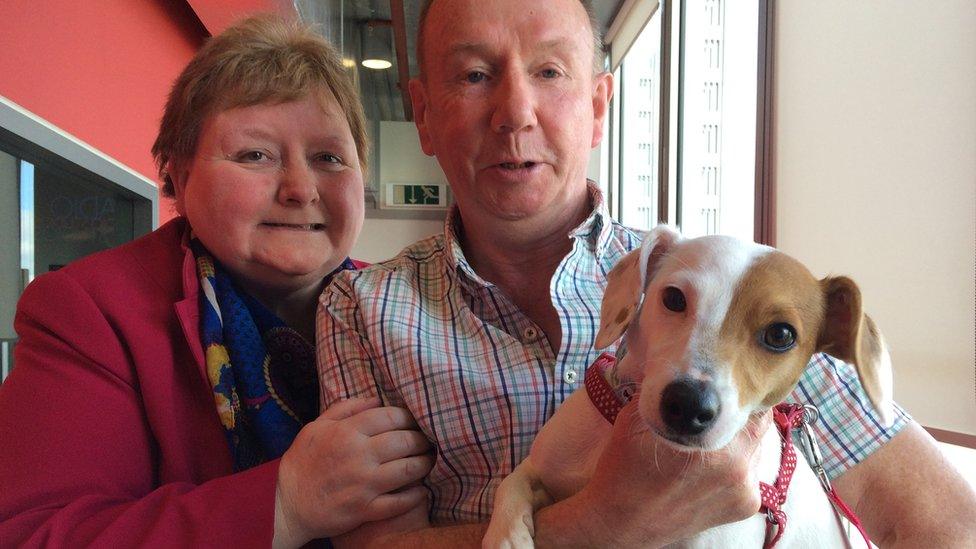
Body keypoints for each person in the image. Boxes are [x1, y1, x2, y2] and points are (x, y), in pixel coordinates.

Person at [317, 0, 976, 546]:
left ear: (600, 106)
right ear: (423, 115)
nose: (516, 111)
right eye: (473, 75)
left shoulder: (738, 290)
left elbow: (942, 523)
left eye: (550, 70)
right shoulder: (360, 306)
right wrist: (606, 523)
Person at [0, 15, 433, 548]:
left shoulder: (416, 305)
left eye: (328, 158)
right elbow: (34, 536)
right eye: (256, 155)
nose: (300, 187)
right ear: (179, 174)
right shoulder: (92, 311)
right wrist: (287, 501)